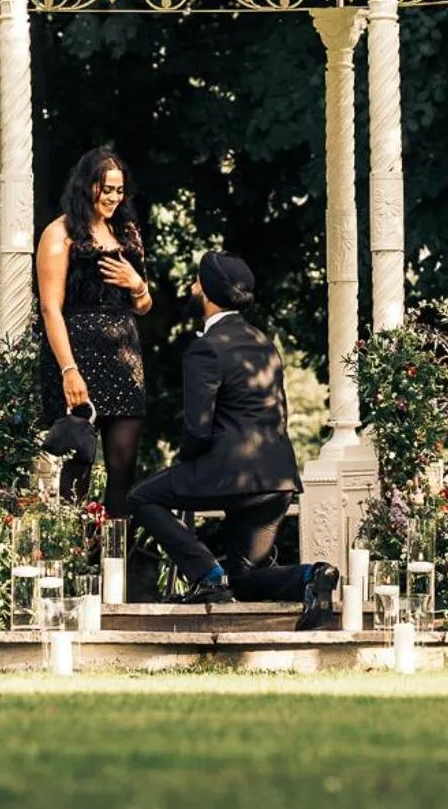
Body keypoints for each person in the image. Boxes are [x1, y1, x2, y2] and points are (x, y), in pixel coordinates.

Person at [126, 251, 341, 630]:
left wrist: (187, 465)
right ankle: (313, 576)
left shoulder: (205, 347)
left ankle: (207, 575)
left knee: (142, 497)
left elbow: (196, 429)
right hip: (277, 480)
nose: (192, 287)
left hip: (231, 472)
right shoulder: (264, 343)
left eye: (196, 282)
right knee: (243, 578)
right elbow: (280, 413)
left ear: (208, 291)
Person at [36, 147, 153, 517]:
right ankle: (73, 564)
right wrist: (69, 370)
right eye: (107, 189)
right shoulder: (60, 233)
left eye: (120, 190)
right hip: (77, 355)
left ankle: (113, 567)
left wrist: (137, 284)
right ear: (88, 186)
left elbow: (144, 304)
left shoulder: (128, 232)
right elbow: (50, 307)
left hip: (124, 360)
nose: (114, 198)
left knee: (123, 468)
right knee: (78, 463)